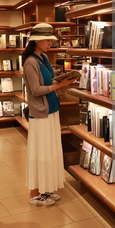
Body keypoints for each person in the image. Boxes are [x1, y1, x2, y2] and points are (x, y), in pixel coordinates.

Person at [22, 23, 76, 206]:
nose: (50, 43)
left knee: (50, 149)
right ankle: (36, 191)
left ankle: (46, 188)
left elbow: (48, 81)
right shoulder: (30, 62)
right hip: (40, 112)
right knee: (41, 151)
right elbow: (36, 90)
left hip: (51, 108)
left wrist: (61, 81)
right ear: (36, 40)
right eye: (47, 40)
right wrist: (60, 85)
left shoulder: (43, 57)